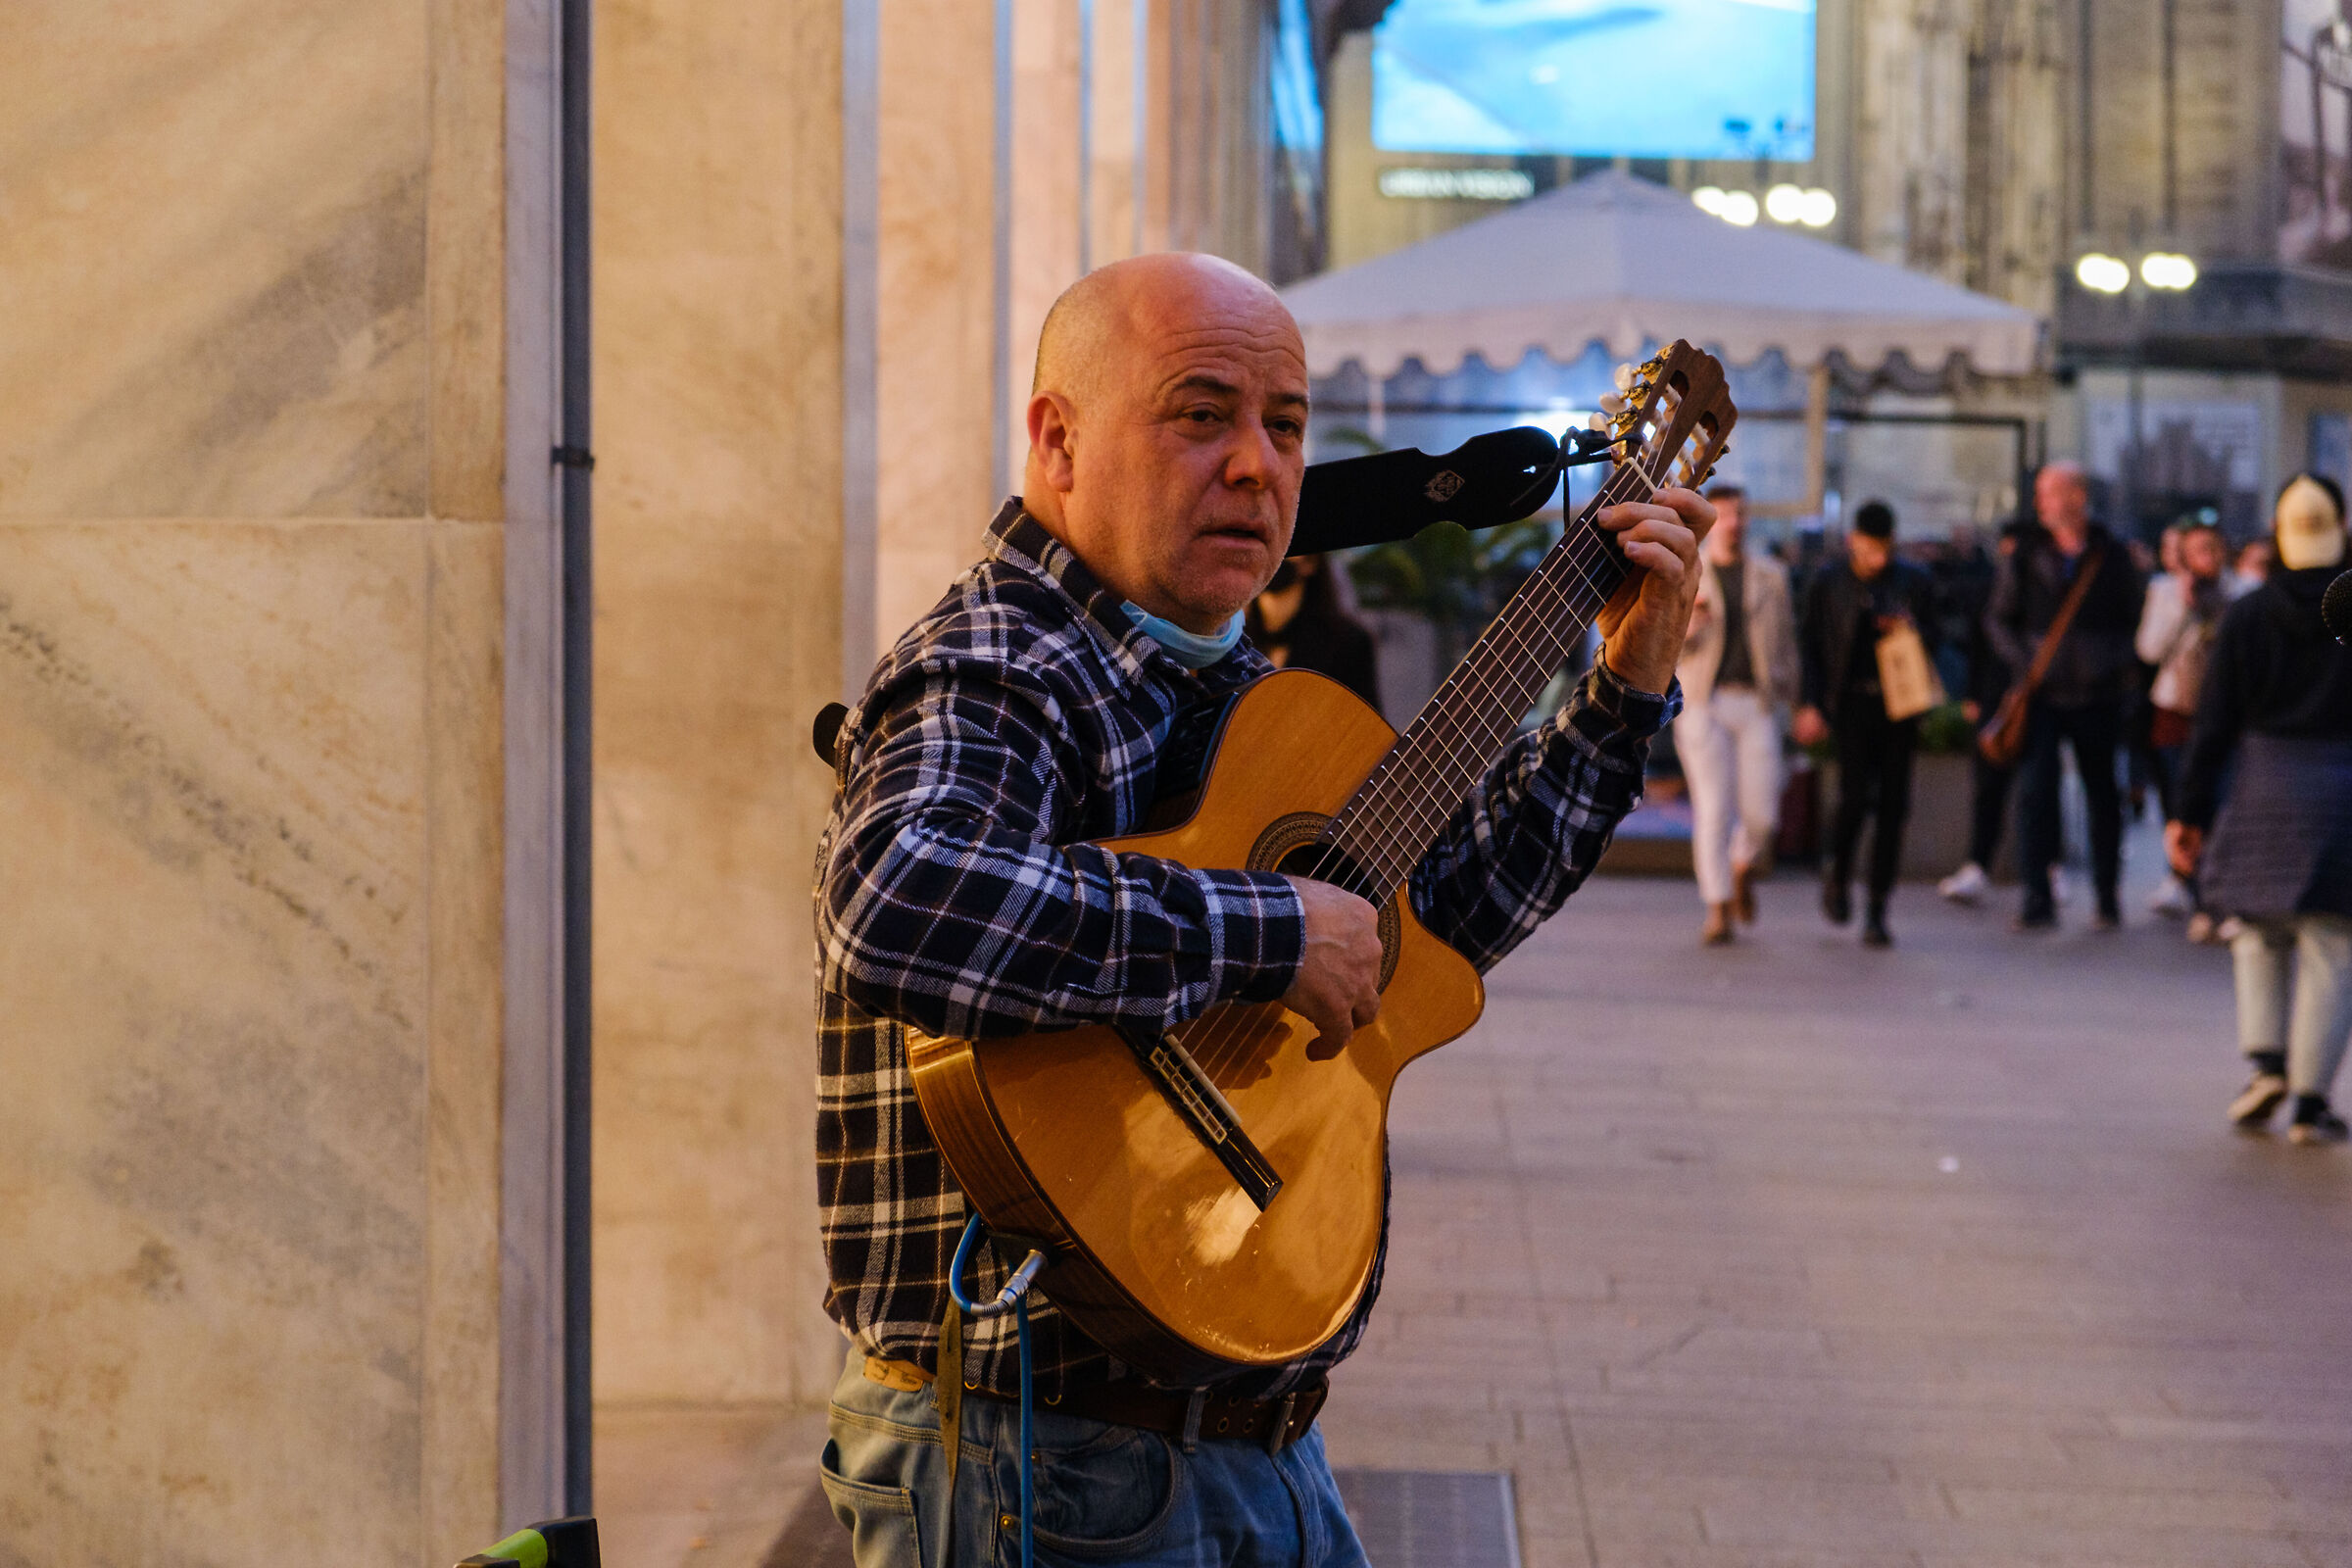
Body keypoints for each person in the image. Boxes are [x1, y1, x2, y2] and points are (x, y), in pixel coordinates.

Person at [811, 252, 1714, 1568]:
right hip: (1033, 1456)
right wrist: (1269, 931)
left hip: (1246, 1438)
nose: (1257, 464)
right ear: (1057, 442)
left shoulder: (1239, 685)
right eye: (1201, 414)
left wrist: (1623, 684)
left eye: (1284, 425)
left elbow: (1434, 934)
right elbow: (894, 901)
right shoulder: (1003, 667)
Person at [2169, 474, 2352, 1146]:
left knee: (2256, 931)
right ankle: (2309, 1101)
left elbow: (2212, 721)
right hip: (2341, 789)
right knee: (2333, 945)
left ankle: (2265, 1064)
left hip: (2261, 786)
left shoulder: (2247, 614)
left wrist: (2187, 811)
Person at [1984, 462, 2146, 930]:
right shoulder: (2026, 555)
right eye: (2040, 493)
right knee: (2036, 794)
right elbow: (1998, 617)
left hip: (2097, 694)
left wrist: (2111, 664)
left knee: (2102, 794)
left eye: (2050, 492)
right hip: (2042, 694)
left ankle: (2106, 895)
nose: (2041, 503)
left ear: (2077, 497)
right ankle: (2037, 896)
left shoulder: (2111, 555)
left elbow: (2132, 619)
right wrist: (2026, 662)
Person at [1794, 501, 1937, 948]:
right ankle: (1837, 875)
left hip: (1900, 705)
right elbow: (1812, 645)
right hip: (1851, 703)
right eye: (1871, 549)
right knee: (1854, 798)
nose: (1879, 559)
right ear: (1855, 541)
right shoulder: (1829, 581)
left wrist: (1909, 629)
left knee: (1894, 807)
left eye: (1885, 550)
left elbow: (1937, 637)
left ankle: (1878, 907)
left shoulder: (1913, 582)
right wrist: (1811, 703)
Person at [1674, 483, 1798, 944]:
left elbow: (1787, 643)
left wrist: (1796, 702)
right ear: (1710, 521)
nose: (1734, 522)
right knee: (1712, 807)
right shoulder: (1689, 572)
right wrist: (1691, 626)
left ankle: (1742, 863)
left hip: (1756, 702)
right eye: (1724, 514)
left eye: (1740, 514)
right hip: (1704, 701)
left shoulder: (1771, 575)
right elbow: (1665, 646)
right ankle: (1717, 906)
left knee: (1763, 814)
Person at [2136, 520, 2231, 917]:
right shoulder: (2164, 591)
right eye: (2197, 550)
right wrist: (2182, 607)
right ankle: (2183, 880)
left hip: (2223, 711)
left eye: (2212, 547)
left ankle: (2213, 891)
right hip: (2176, 706)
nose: (2206, 557)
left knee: (2220, 799)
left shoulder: (2238, 592)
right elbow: (2149, 650)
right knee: (2179, 798)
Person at [1938, 518, 2027, 905]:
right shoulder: (1988, 588)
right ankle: (1978, 864)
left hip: (2033, 695)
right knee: (1988, 782)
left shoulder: (2044, 590)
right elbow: (1977, 643)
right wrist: (1974, 696)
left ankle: (2046, 868)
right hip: (1994, 694)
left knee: (2036, 787)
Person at [1245, 552, 1382, 712]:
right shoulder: (1231, 640)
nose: (1275, 552)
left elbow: (1367, 728)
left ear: (1311, 562)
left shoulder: (1348, 642)